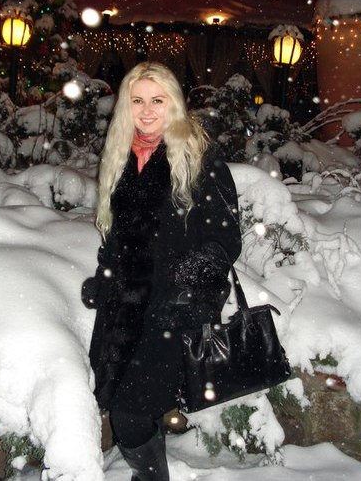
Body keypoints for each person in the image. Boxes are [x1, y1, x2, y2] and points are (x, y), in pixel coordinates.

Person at [82, 61, 241, 480]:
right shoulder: (121, 155)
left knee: (130, 412)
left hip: (173, 311)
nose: (147, 110)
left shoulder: (199, 156)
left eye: (157, 100)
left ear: (174, 103)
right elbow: (118, 236)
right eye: (137, 101)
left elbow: (225, 240)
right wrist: (104, 278)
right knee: (127, 408)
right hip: (124, 309)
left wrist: (185, 282)